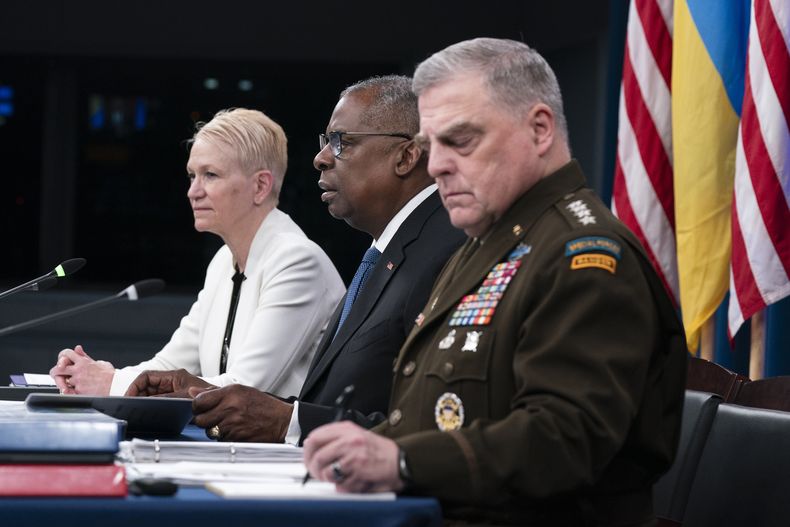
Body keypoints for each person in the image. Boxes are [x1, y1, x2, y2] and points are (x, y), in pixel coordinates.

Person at [302, 38, 687, 526]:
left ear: (540, 129)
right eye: (431, 144)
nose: (436, 164)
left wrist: (400, 461)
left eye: (459, 141)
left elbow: (566, 440)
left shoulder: (583, 256)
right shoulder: (485, 246)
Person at [126, 76, 465, 443]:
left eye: (340, 142)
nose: (320, 158)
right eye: (325, 142)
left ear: (406, 156)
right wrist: (202, 392)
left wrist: (288, 421)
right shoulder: (389, 251)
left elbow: (437, 425)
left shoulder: (447, 251)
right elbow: (329, 400)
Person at [49, 108, 345, 398]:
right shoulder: (221, 262)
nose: (193, 191)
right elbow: (168, 366)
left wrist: (112, 383)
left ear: (260, 186)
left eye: (210, 175)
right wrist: (96, 375)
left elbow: (244, 390)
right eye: (192, 175)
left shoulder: (297, 261)